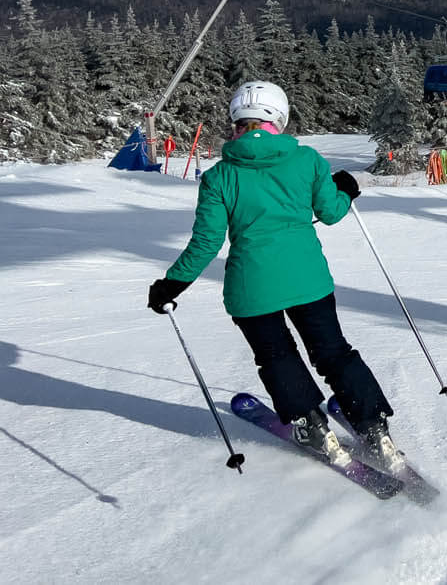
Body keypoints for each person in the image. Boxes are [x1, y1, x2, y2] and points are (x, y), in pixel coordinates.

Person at [147, 81, 402, 470]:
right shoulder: (307, 161)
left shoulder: (219, 177)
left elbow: (206, 244)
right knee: (334, 353)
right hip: (308, 280)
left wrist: (171, 284)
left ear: (236, 122)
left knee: (276, 355)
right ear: (279, 120)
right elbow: (332, 212)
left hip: (252, 289)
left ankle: (311, 425)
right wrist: (346, 189)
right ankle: (374, 428)